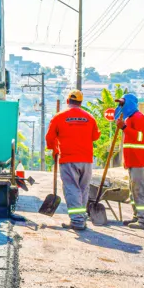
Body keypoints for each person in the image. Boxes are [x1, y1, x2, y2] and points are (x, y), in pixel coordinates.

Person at [46, 90, 100, 231]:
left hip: (68, 159)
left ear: (68, 101)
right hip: (87, 160)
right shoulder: (90, 117)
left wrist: (54, 148)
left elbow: (50, 137)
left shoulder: (59, 117)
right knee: (83, 189)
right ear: (81, 102)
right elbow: (95, 136)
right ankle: (81, 218)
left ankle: (77, 221)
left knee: (72, 188)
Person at [115, 93, 144, 230]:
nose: (120, 106)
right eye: (119, 104)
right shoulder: (130, 118)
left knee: (142, 191)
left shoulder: (139, 118)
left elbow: (140, 137)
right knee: (134, 190)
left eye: (122, 103)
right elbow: (129, 143)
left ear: (130, 103)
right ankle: (138, 216)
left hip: (143, 161)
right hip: (135, 162)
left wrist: (124, 128)